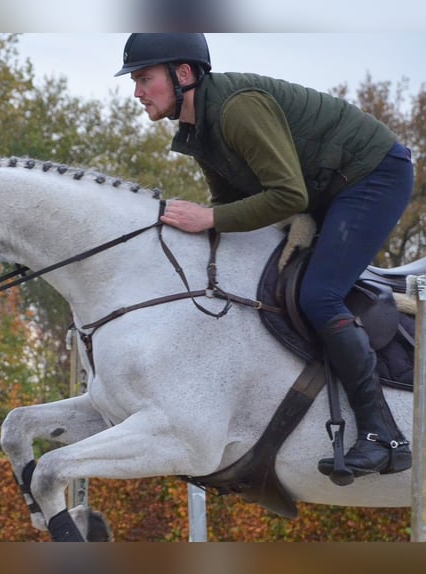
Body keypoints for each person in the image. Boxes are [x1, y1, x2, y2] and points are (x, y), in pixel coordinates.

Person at [115, 33, 414, 482]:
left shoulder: (237, 109)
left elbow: (282, 194)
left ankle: (382, 434)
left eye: (144, 78)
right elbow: (232, 205)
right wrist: (207, 224)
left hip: (373, 174)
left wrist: (208, 217)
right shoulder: (199, 130)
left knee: (319, 295)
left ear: (183, 75)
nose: (136, 92)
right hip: (327, 187)